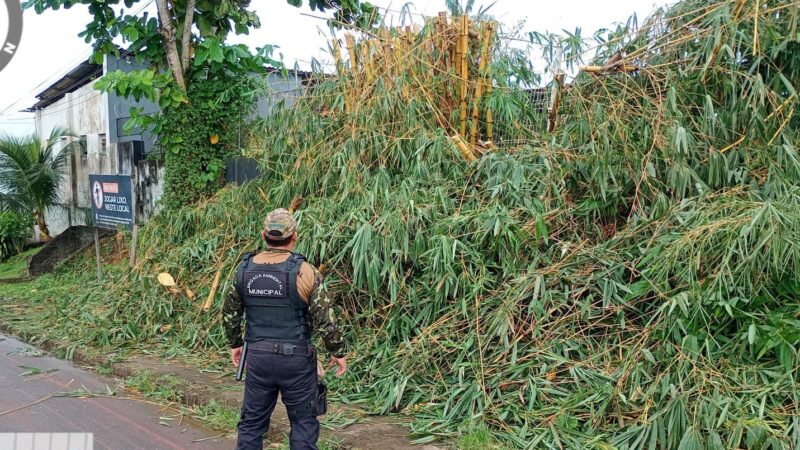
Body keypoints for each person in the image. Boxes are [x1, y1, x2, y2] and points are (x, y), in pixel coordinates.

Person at [223, 208, 347, 450]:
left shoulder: (243, 271)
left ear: (263, 236)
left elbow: (229, 314)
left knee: (251, 424)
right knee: (303, 423)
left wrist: (236, 345)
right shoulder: (306, 272)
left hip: (257, 357)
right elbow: (327, 320)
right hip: (297, 362)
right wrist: (338, 351)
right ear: (295, 237)